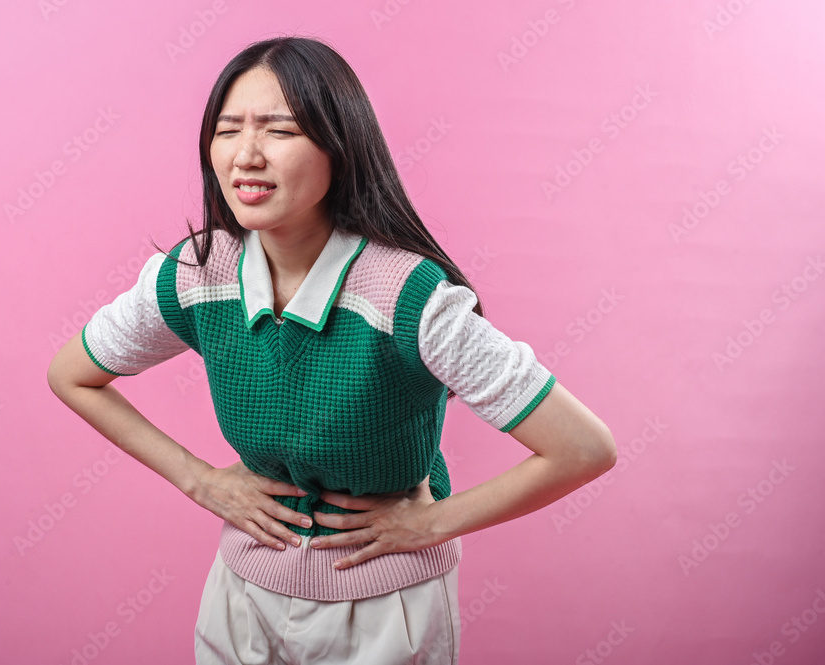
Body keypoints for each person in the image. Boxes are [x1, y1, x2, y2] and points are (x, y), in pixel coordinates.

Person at [47, 35, 617, 665]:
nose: (246, 155)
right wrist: (198, 481)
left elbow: (583, 448)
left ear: (339, 147)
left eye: (280, 130)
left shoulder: (410, 297)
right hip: (241, 594)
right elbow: (70, 375)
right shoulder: (197, 272)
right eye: (227, 130)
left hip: (385, 606)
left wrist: (432, 524)